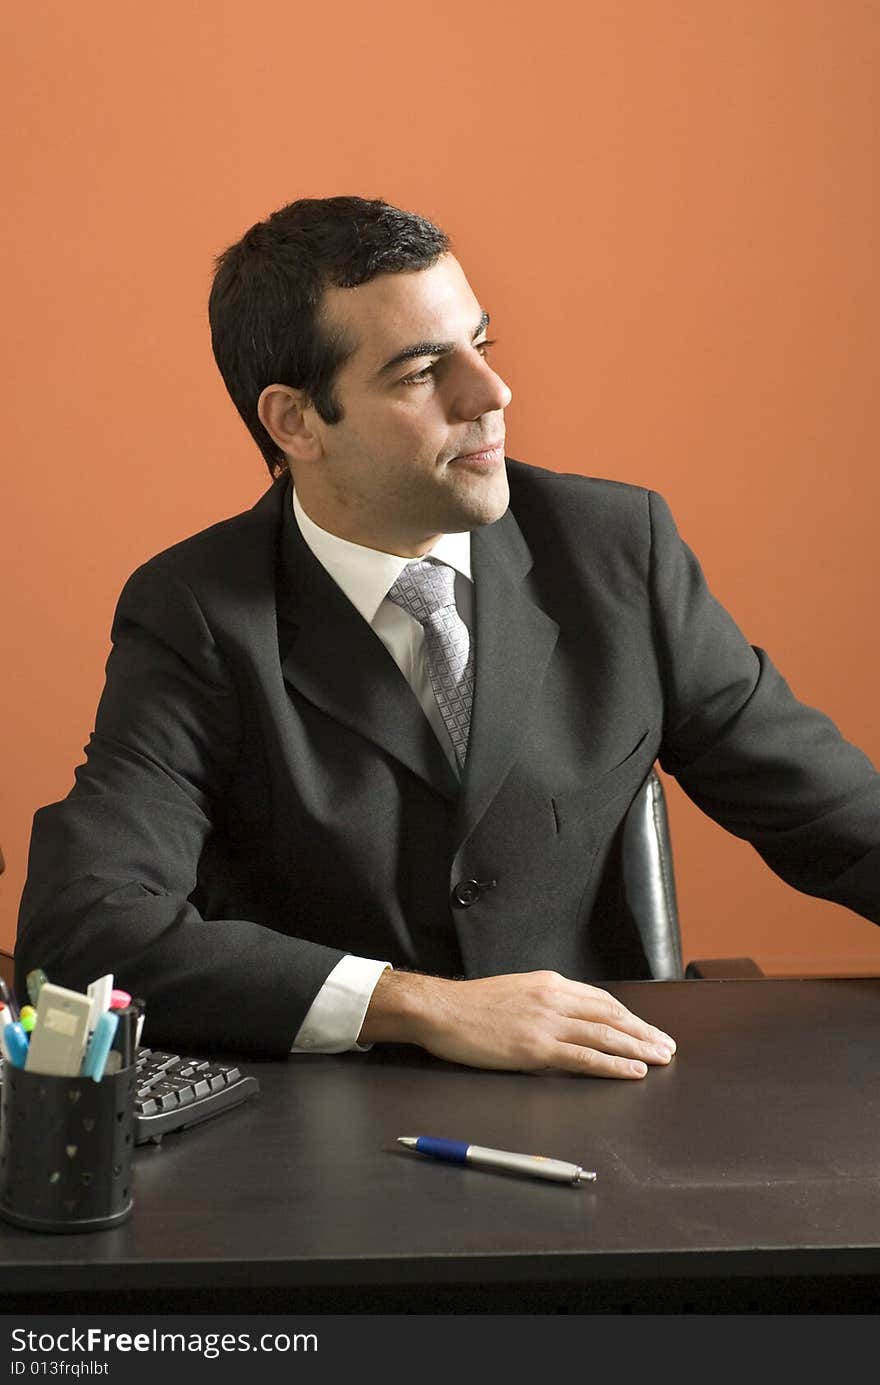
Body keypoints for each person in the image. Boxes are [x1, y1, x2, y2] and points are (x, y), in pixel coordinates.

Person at [15, 196, 880, 1079]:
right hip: (320, 1148)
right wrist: (418, 1005)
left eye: (483, 344)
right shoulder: (195, 612)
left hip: (605, 1114)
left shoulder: (619, 550)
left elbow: (836, 816)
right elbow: (83, 927)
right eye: (423, 371)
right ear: (296, 422)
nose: (492, 393)